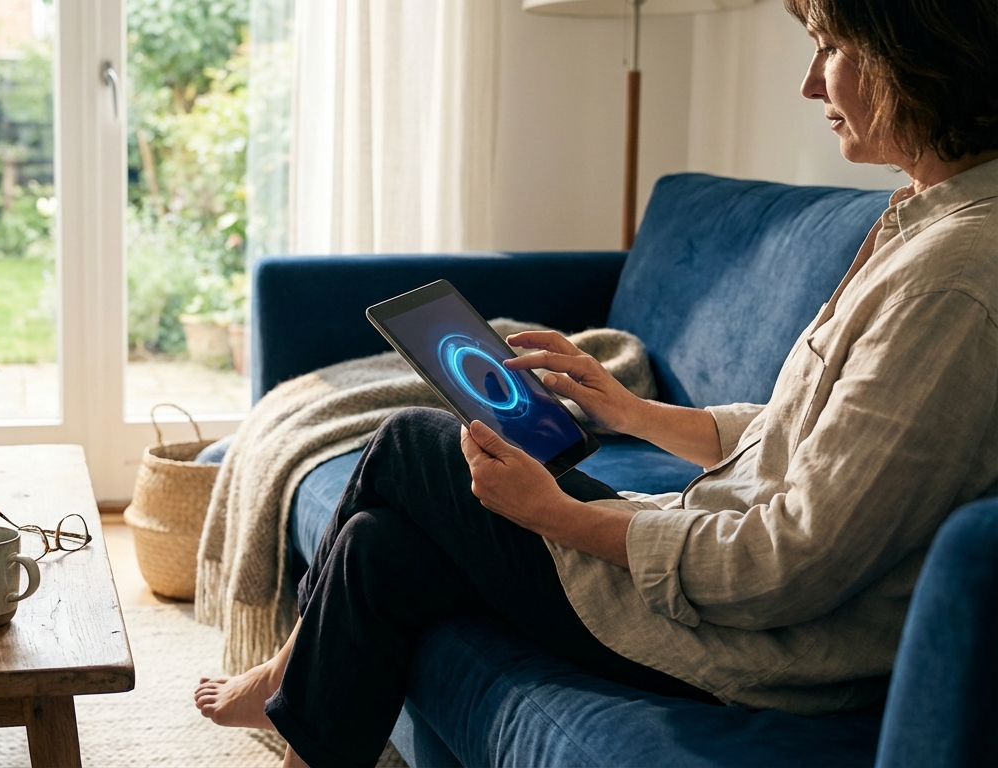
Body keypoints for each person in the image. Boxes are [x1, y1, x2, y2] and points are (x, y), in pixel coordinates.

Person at [195, 0, 998, 765]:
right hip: (717, 563)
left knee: (412, 443)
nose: (809, 81)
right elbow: (812, 435)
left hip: (753, 644)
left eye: (831, 45)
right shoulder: (920, 223)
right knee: (382, 547)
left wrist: (564, 518)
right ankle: (296, 723)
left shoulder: (954, 279)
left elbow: (788, 562)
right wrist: (634, 412)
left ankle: (282, 678)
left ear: (914, 53)